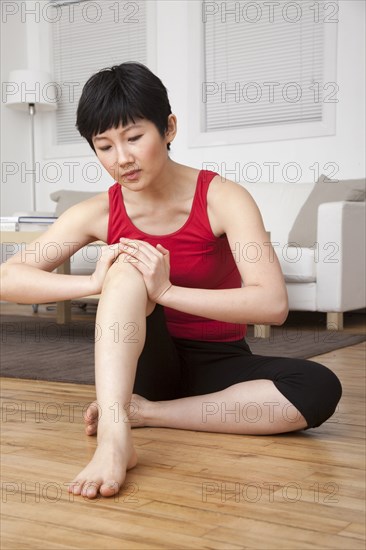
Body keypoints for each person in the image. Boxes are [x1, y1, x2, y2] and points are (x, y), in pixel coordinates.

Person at [0, 62, 342, 500]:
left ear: (169, 129)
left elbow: (272, 303)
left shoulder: (222, 197)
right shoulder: (98, 212)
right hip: (144, 360)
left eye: (134, 138)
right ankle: (115, 437)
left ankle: (146, 414)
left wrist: (167, 291)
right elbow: (9, 277)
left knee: (318, 387)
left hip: (218, 362)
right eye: (104, 146)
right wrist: (93, 283)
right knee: (123, 270)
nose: (121, 159)